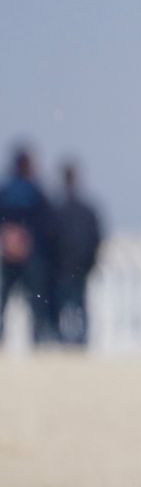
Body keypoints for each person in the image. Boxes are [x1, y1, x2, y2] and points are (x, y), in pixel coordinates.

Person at [0, 145, 56, 346]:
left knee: (3, 299)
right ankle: (38, 338)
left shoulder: (6, 190)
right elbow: (47, 223)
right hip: (31, 255)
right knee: (36, 301)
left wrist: (9, 236)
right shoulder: (35, 191)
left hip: (8, 254)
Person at [51, 161, 104, 348]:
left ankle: (62, 339)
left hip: (63, 267)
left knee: (63, 304)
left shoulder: (56, 209)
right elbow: (96, 236)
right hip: (80, 265)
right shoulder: (86, 209)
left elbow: (50, 238)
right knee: (78, 303)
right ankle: (80, 340)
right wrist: (91, 261)